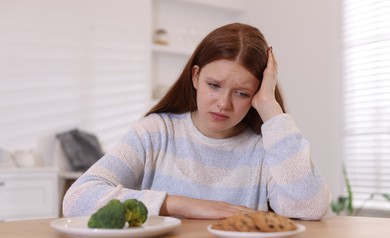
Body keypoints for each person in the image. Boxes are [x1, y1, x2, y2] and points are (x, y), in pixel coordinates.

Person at [63, 23, 331, 220]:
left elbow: (309, 207)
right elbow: (77, 199)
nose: (223, 103)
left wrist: (270, 108)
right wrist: (179, 204)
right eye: (214, 85)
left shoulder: (266, 148)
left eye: (242, 93)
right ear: (195, 76)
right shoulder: (155, 133)